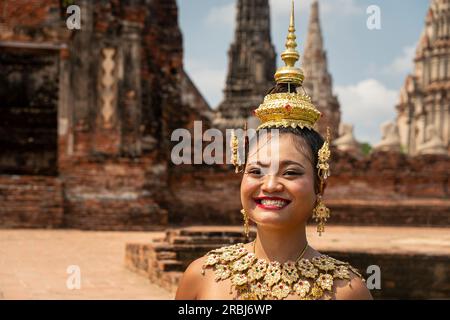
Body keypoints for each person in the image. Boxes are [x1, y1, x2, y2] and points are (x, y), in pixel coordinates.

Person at [175, 0, 373, 300]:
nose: (269, 185)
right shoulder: (202, 277)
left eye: (291, 172)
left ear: (321, 183)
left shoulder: (346, 291)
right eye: (256, 170)